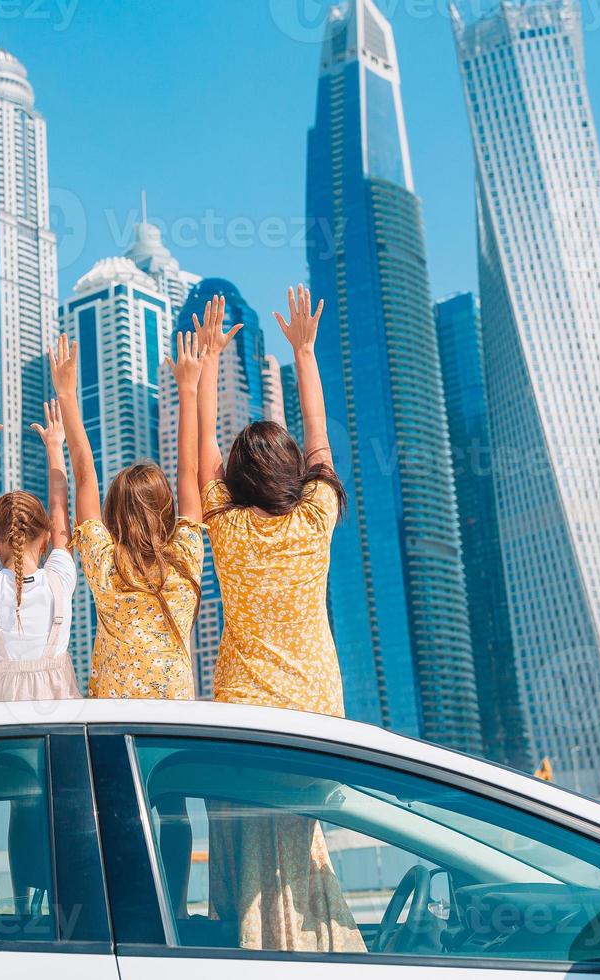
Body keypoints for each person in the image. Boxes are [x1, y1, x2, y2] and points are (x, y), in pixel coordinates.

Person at [195, 286, 364, 953]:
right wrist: (303, 352)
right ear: (294, 475)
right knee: (303, 842)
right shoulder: (316, 518)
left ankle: (255, 948)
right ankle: (313, 944)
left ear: (234, 478)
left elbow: (201, 446)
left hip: (244, 720)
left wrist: (208, 361)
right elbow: (320, 442)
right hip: (317, 719)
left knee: (245, 853)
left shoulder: (227, 528)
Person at [49, 331, 206, 700]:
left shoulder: (106, 566)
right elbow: (189, 471)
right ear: (168, 512)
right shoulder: (185, 560)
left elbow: (85, 473)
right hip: (176, 721)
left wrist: (67, 395)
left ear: (113, 517)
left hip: (113, 723)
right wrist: (188, 389)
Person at [0, 399, 81, 702]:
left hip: (0, 726)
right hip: (59, 722)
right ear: (46, 538)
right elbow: (59, 507)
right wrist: (55, 445)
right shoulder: (60, 579)